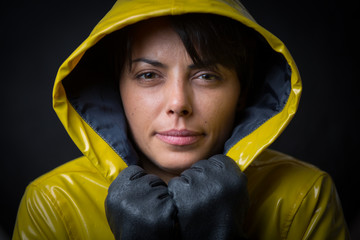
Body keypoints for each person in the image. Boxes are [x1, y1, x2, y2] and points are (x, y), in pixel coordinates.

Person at [13, 0, 350, 239]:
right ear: (116, 90)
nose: (178, 104)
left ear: (243, 91)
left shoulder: (305, 195)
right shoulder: (53, 201)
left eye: (206, 76)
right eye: (148, 75)